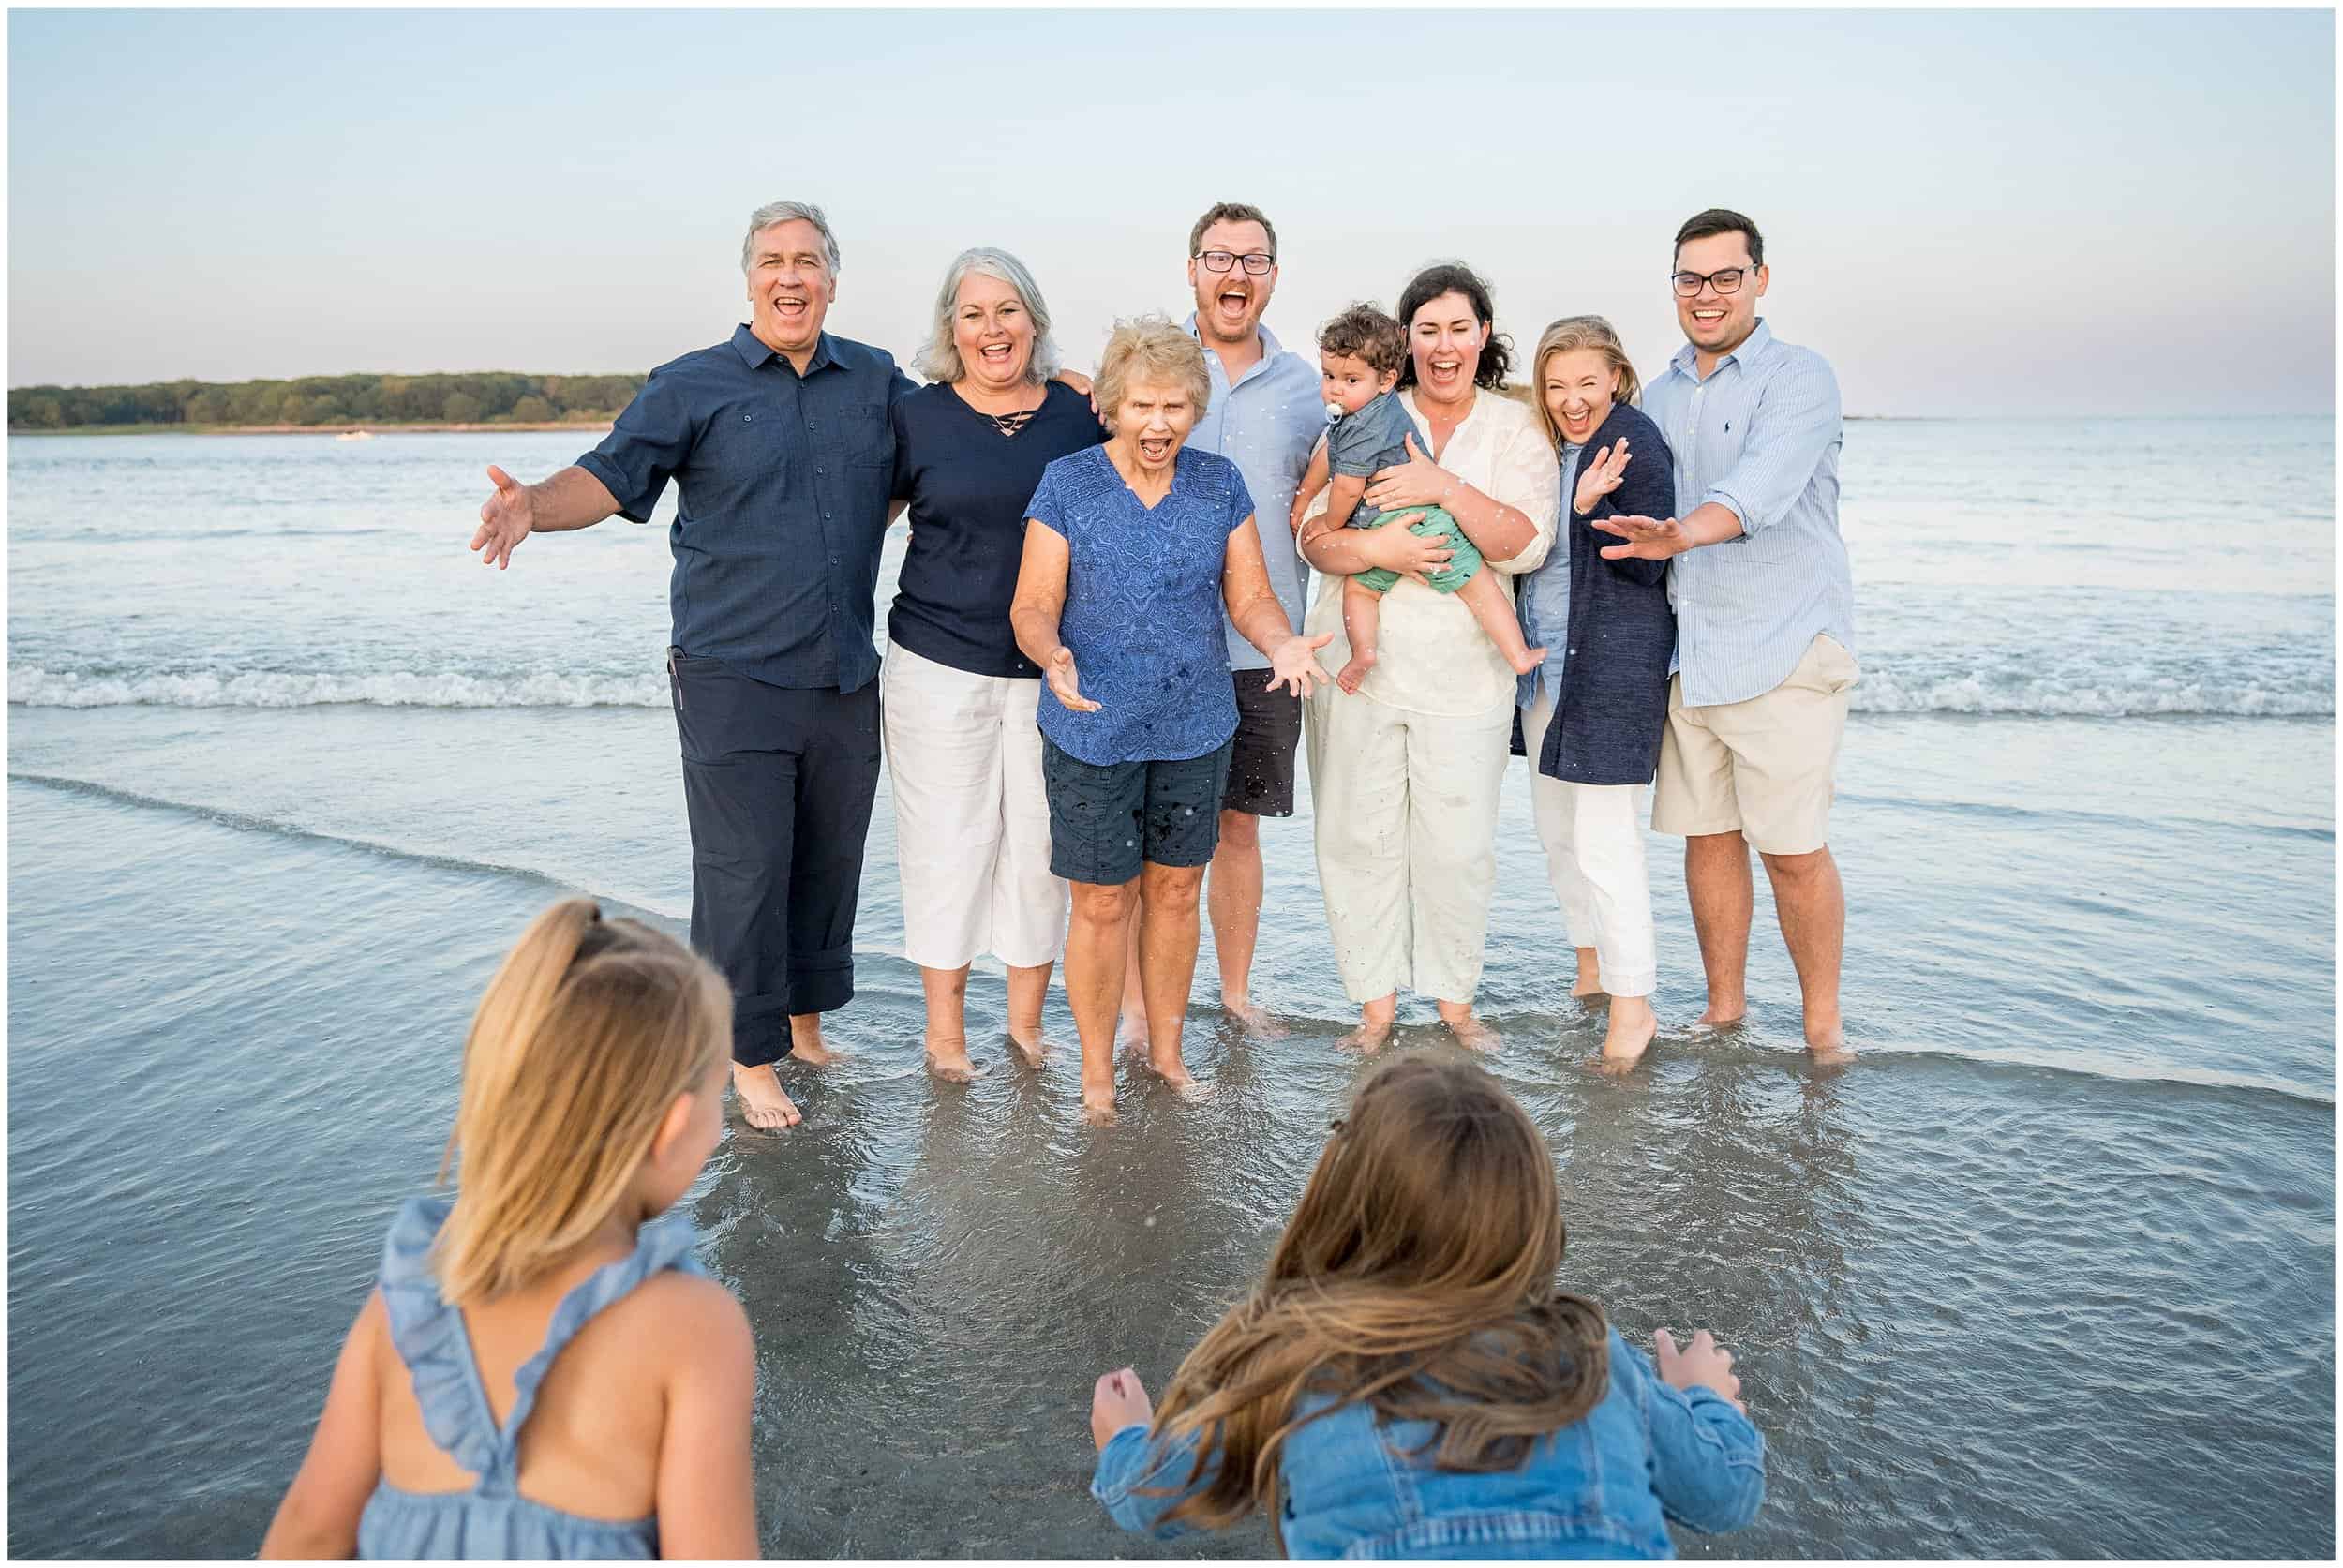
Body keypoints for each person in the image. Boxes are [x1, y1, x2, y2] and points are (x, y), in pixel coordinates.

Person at [469, 200, 912, 1132]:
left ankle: (803, 1028)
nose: (789, 277)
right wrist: (531, 509)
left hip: (842, 672)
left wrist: (1061, 391)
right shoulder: (692, 383)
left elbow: (943, 447)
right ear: (748, 277)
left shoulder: (875, 377)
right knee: (745, 871)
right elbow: (610, 473)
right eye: (771, 262)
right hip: (730, 673)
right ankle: (744, 1059)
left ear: (833, 276)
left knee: (827, 864)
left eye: (806, 261)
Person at [1084, 1053, 1766, 1558]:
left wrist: (1125, 1439)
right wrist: (1703, 1396)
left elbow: (1151, 1494)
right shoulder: (1592, 1357)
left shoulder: (1298, 1366)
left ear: (1347, 1207)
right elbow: (1725, 1491)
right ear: (1529, 1216)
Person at [260, 900, 756, 1559]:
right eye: (718, 1096)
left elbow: (310, 1532)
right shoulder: (694, 1328)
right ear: (670, 1130)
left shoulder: (405, 1307)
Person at [1009, 317, 1332, 1125]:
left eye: (1178, 407)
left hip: (1195, 721)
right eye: (1145, 405)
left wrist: (1282, 640)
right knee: (1102, 903)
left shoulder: (1218, 484)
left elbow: (1249, 596)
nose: (1160, 424)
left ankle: (1168, 1051)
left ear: (1196, 409)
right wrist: (1050, 652)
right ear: (1112, 404)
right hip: (1090, 727)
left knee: (1180, 891)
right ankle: (1094, 1074)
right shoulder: (1068, 482)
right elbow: (1033, 604)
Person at [1594, 210, 1858, 1062]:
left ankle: (1824, 1032)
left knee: (1790, 849)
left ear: (1760, 281)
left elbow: (1759, 492)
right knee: (1706, 839)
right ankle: (1724, 1013)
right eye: (1689, 279)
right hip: (1689, 656)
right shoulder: (1659, 395)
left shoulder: (1800, 378)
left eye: (1724, 278)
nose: (1705, 296)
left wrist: (1682, 532)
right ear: (1672, 284)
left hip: (1781, 649)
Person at [1296, 263, 1560, 1053]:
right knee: (1355, 835)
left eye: (1460, 328)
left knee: (1458, 845)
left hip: (1467, 674)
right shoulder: (1367, 406)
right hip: (1358, 662)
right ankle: (1374, 1007)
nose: (1444, 346)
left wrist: (1443, 487)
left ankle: (1454, 1001)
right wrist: (1374, 545)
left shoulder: (1515, 429)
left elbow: (1524, 543)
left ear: (1485, 335)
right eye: (1427, 330)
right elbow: (1312, 530)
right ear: (1403, 343)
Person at [885, 247, 1104, 1083]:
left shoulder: (1078, 415)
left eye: (1007, 310)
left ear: (1035, 321)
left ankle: (1024, 1027)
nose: (992, 329)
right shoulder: (917, 417)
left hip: (1053, 668)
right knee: (947, 846)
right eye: (973, 314)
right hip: (936, 665)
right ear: (951, 328)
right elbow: (869, 517)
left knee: (1040, 852)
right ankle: (945, 1034)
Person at [1125, 202, 1324, 1041]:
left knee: (1238, 829)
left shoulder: (1311, 386)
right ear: (1192, 269)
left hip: (1262, 646)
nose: (1235, 274)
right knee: (1146, 841)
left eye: (1252, 260)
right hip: (1152, 645)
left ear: (1273, 275)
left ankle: (1235, 995)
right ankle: (1136, 1011)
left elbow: (1334, 503)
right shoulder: (1152, 367)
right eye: (1218, 257)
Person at [1517, 317, 1678, 1068]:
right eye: (1556, 385)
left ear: (1615, 374)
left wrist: (1589, 509)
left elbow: (1646, 565)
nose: (1572, 399)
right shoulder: (1548, 448)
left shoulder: (1632, 442)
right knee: (1558, 837)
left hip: (1609, 671)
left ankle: (1634, 1008)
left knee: (1606, 842)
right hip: (1546, 670)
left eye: (1586, 382)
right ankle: (1592, 968)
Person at [1290, 302, 1545, 695]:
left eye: (1349, 379)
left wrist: (1329, 523)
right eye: (1328, 376)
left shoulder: (1362, 427)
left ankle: (1363, 652)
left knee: (1361, 592)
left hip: (1399, 519)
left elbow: (1347, 487)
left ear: (1387, 379)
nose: (1335, 388)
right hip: (1424, 522)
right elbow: (1328, 455)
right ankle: (1517, 652)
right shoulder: (1371, 407)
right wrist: (1305, 493)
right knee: (1477, 585)